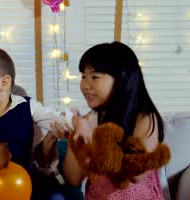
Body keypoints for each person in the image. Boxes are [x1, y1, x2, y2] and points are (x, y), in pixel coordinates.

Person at [0, 47, 72, 200]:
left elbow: (53, 119)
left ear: (4, 83)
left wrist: (72, 122)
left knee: (55, 196)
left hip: (27, 179)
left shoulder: (27, 106)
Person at [61, 41, 165, 199]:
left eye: (94, 77)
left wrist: (96, 138)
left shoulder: (145, 119)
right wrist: (77, 132)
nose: (85, 85)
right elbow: (73, 179)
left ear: (121, 79)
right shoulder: (91, 118)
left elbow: (137, 174)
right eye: (83, 76)